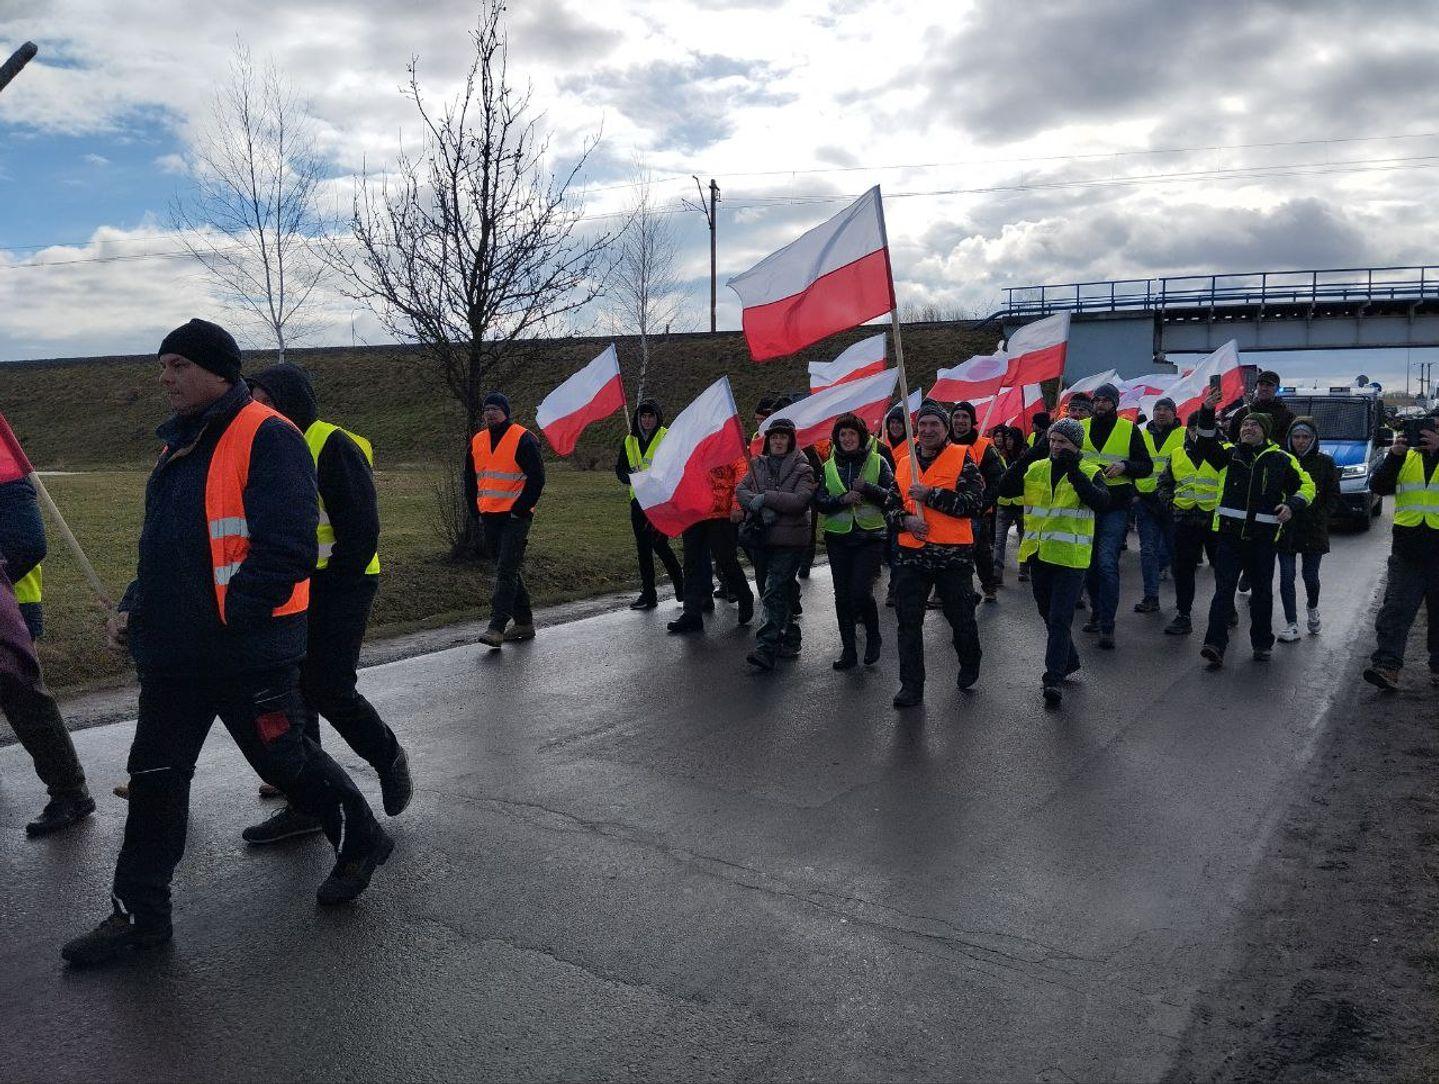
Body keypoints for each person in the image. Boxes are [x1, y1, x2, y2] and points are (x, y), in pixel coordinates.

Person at [63, 319, 392, 968]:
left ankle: (361, 837)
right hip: (176, 661)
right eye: (163, 366)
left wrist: (233, 619)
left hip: (248, 653)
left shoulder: (270, 437)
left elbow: (287, 548)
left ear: (220, 370)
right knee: (155, 778)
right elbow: (164, 551)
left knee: (285, 762)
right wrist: (133, 608)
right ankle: (140, 917)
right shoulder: (178, 448)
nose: (165, 377)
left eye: (179, 365)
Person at [238, 364, 412, 844]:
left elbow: (361, 532)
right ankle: (309, 802)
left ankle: (387, 756)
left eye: (264, 398)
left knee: (327, 686)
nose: (256, 408)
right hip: (292, 586)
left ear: (288, 400)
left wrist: (331, 583)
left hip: (344, 582)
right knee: (292, 691)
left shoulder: (330, 444)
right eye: (252, 399)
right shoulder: (262, 448)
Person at [1191, 388, 1314, 668]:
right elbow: (1204, 444)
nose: (1247, 428)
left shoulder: (1281, 458)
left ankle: (1261, 642)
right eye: (1245, 425)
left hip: (1262, 539)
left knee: (1261, 594)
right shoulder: (1229, 454)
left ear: (1265, 431)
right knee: (1223, 592)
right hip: (1229, 537)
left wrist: (1292, 505)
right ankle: (1214, 644)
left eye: (1254, 425)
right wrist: (1208, 411)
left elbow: (1307, 486)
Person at [0, 474, 93, 836]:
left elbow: (27, 541)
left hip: (10, 610)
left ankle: (70, 792)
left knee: (23, 699)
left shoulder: (5, 465)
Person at [998, 418, 1111, 704]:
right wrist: (1031, 454)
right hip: (1038, 555)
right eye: (1052, 440)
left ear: (1076, 446)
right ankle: (1068, 659)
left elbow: (1101, 502)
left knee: (1060, 618)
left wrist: (1074, 471)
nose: (1056, 446)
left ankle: (1053, 679)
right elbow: (1006, 487)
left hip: (1071, 560)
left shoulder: (1089, 471)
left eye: (1063, 442)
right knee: (1048, 614)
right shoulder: (1037, 468)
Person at [885, 400, 985, 708]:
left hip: (952, 558)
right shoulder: (905, 464)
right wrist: (905, 520)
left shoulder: (962, 458)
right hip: (911, 557)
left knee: (961, 618)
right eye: (923, 425)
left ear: (945, 430)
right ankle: (911, 685)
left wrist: (931, 495)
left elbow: (973, 504)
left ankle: (970, 659)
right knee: (908, 621)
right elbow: (889, 506)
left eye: (935, 425)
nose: (928, 430)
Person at [1363, 415, 1439, 690]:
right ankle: (1387, 666)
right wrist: (1394, 455)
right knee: (1395, 610)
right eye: (1427, 429)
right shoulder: (1405, 457)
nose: (1428, 434)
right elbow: (1378, 487)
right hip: (1408, 551)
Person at [734, 418, 816, 670]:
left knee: (773, 590)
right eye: (774, 437)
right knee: (775, 591)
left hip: (790, 540)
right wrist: (755, 502)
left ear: (790, 440)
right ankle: (790, 634)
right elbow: (741, 489)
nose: (778, 441)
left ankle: (765, 648)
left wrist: (766, 498)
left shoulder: (804, 468)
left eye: (782, 436)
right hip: (763, 538)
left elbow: (800, 501)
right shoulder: (757, 464)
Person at [465, 392, 545, 649]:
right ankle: (524, 622)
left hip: (515, 516)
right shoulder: (477, 440)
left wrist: (521, 508)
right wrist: (474, 509)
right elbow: (470, 479)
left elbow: (537, 477)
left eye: (495, 409)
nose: (490, 413)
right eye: (487, 409)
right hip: (489, 515)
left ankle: (496, 627)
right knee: (506, 567)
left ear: (506, 412)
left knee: (505, 570)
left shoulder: (522, 438)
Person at [814, 413, 894, 669]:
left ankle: (873, 637)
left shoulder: (879, 461)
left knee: (860, 592)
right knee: (842, 597)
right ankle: (848, 649)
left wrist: (868, 488)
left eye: (852, 434)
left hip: (869, 537)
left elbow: (893, 497)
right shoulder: (828, 467)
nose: (847, 438)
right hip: (838, 538)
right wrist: (841, 500)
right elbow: (820, 503)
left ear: (861, 436)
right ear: (837, 438)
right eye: (843, 434)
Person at [1078, 383, 1153, 649]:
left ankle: (1107, 625)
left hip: (1115, 505)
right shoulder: (1080, 428)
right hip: (1085, 504)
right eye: (1096, 400)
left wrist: (1125, 466)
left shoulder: (1128, 429)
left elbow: (1146, 466)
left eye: (1105, 401)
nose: (1100, 405)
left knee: (1106, 561)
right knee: (1088, 564)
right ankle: (1096, 613)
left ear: (1114, 404)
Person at [668, 452, 754, 635]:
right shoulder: (690, 439)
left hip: (721, 512)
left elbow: (742, 470)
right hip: (694, 512)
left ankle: (744, 594)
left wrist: (737, 504)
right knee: (691, 563)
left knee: (725, 559)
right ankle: (691, 613)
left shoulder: (724, 437)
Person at [615, 398, 684, 610]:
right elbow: (620, 469)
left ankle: (682, 587)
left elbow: (676, 466)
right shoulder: (629, 440)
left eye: (650, 416)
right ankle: (649, 594)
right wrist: (630, 478)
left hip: (660, 501)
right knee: (642, 549)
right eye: (643, 416)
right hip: (638, 501)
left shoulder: (666, 436)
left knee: (660, 545)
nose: (646, 420)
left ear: (657, 417)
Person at [1161, 412, 1226, 636]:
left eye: (1201, 428)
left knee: (1223, 568)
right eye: (1192, 428)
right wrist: (1173, 505)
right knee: (1184, 570)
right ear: (1188, 431)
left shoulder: (1223, 454)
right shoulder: (1177, 454)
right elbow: (1164, 484)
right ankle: (1183, 615)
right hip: (1185, 520)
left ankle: (1228, 608)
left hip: (1215, 522)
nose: (1196, 433)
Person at [1276, 416, 1338, 643]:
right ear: (1290, 438)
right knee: (1286, 577)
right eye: (1296, 436)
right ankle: (1291, 623)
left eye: (1305, 437)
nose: (1301, 441)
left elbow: (1333, 495)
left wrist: (1322, 516)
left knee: (1310, 576)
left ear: (1313, 439)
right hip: (1286, 528)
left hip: (1313, 528)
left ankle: (1312, 608)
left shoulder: (1325, 462)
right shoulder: (1281, 460)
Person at [949, 402, 1004, 601]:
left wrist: (982, 505)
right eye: (956, 416)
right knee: (951, 550)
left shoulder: (984, 447)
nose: (960, 421)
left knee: (979, 552)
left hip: (977, 512)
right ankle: (947, 591)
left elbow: (997, 479)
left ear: (972, 421)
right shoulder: (943, 443)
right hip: (949, 508)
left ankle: (987, 587)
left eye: (964, 417)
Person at [1133, 397, 1184, 613]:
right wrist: (1134, 493)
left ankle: (1181, 602)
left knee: (1172, 550)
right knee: (1148, 550)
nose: (1161, 413)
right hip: (1146, 501)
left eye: (1166, 409)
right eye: (1158, 409)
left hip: (1174, 501)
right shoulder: (1142, 435)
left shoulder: (1183, 435)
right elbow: (1134, 462)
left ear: (1174, 413)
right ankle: (1150, 597)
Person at [993, 426, 1029, 582]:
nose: (1007, 442)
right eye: (1006, 438)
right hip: (1004, 504)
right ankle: (996, 572)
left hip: (1022, 504)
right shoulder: (1000, 457)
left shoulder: (1026, 458)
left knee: (1024, 540)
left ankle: (1023, 570)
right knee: (999, 540)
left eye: (1011, 438)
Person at [1226, 369, 1296, 446]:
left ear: (1277, 388)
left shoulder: (1286, 416)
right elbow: (1231, 440)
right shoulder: (1242, 413)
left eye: (1269, 385)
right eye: (1261, 384)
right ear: (1256, 387)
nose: (1264, 388)